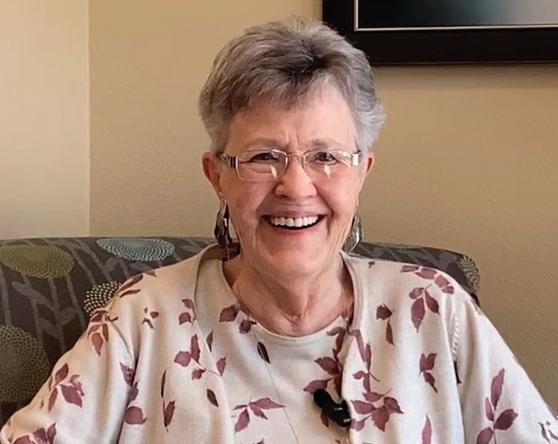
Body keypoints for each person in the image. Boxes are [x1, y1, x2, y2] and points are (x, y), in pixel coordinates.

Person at [1, 18, 556, 444]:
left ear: (362, 173)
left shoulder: (436, 311)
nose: (295, 186)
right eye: (264, 156)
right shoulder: (143, 320)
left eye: (326, 156)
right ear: (218, 176)